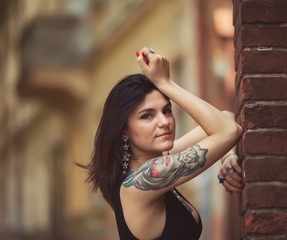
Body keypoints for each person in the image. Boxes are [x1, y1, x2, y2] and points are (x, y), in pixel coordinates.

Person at [84, 47, 243, 239]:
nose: (164, 122)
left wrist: (227, 156)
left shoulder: (153, 163)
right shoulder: (144, 179)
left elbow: (226, 118)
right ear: (124, 130)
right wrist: (165, 83)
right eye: (147, 116)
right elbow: (228, 130)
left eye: (167, 110)